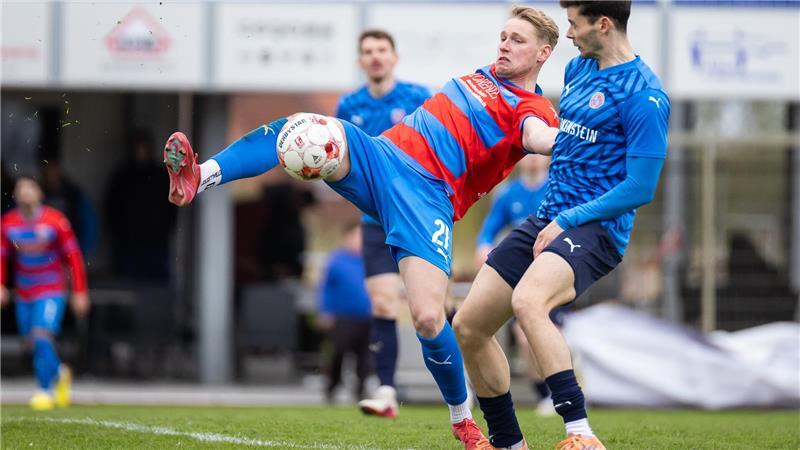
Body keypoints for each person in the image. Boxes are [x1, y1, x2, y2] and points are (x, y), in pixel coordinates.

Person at [165, 6, 560, 448]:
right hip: (381, 157)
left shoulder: (534, 108)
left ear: (544, 53)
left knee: (430, 318)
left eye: (517, 40)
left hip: (428, 198)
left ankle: (462, 420)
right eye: (503, 36)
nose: (504, 44)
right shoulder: (483, 74)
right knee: (301, 130)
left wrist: (576, 138)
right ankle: (201, 177)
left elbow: (537, 137)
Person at [453, 1, 670, 449]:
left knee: (531, 302)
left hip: (596, 229)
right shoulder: (577, 70)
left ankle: (580, 434)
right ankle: (509, 442)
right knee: (469, 326)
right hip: (547, 218)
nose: (568, 34)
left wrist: (570, 218)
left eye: (574, 23)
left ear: (603, 24)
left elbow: (641, 187)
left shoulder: (645, 95)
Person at [336, 29, 432, 418]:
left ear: (394, 57)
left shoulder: (417, 98)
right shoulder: (349, 105)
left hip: (418, 216)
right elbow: (341, 161)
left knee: (434, 308)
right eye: (368, 52)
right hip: (375, 221)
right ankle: (387, 389)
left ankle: (468, 381)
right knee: (383, 302)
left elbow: (437, 148)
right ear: (361, 61)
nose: (375, 57)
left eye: (381, 50)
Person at [473, 153, 561, 417]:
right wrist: (483, 247)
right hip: (521, 276)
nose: (534, 159)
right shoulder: (509, 194)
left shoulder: (556, 186)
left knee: (538, 332)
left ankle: (562, 391)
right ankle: (546, 394)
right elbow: (487, 230)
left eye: (540, 153)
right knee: (522, 338)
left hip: (554, 272)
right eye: (529, 153)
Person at [1, 176, 90, 410]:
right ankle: (60, 373)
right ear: (15, 195)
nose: (25, 193)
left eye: (30, 188)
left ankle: (44, 390)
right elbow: (1, 258)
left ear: (40, 193)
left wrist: (79, 292)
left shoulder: (55, 221)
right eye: (21, 189)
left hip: (51, 289)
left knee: (42, 335)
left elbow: (74, 258)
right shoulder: (8, 224)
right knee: (31, 342)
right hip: (24, 291)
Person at [106, 130, 177, 282]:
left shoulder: (161, 176)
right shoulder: (122, 177)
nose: (140, 152)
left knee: (156, 287)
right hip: (128, 244)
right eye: (137, 148)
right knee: (127, 286)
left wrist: (163, 230)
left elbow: (172, 206)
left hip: (156, 243)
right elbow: (111, 208)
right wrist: (120, 233)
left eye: (143, 148)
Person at [317, 222, 373, 403]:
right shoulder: (337, 260)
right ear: (347, 237)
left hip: (367, 316)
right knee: (338, 352)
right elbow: (325, 288)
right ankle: (332, 387)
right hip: (343, 317)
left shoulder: (371, 259)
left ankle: (361, 389)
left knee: (365, 356)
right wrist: (325, 311)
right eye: (356, 236)